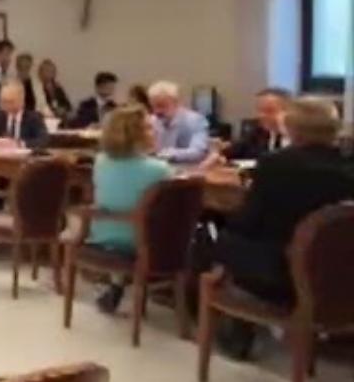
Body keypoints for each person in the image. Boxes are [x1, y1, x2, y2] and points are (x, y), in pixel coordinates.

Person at [214, 98, 354, 359]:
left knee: (220, 239)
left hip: (283, 275)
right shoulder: (348, 165)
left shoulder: (275, 165)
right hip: (340, 273)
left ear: (291, 128)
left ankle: (235, 326)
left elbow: (249, 222)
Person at [86, 105, 175, 313]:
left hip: (103, 234)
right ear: (136, 134)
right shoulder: (159, 169)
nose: (155, 132)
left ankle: (117, 285)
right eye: (149, 128)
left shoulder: (100, 161)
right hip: (140, 240)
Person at [220, 88, 292, 162]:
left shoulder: (297, 137)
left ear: (289, 111)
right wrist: (220, 152)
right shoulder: (257, 132)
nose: (261, 115)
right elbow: (230, 153)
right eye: (259, 110)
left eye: (269, 110)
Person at [147, 81, 209, 164]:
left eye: (162, 106)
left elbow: (198, 152)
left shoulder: (195, 120)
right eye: (154, 106)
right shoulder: (152, 121)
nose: (157, 111)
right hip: (159, 167)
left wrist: (167, 154)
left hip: (187, 168)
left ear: (176, 103)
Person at [0, 81, 49, 149]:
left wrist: (19, 144)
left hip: (24, 157)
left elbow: (43, 140)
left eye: (9, 102)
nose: (4, 105)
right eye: (3, 101)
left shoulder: (34, 118)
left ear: (21, 101)